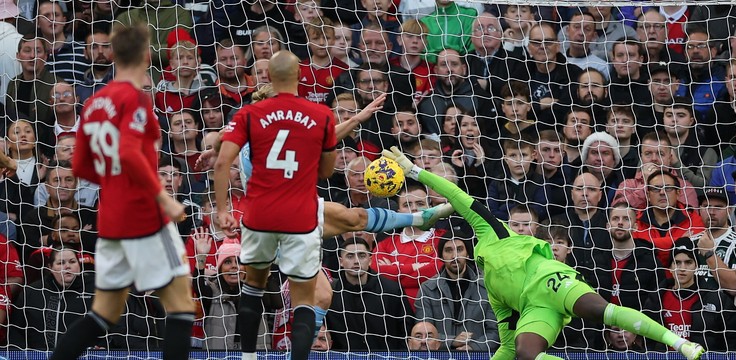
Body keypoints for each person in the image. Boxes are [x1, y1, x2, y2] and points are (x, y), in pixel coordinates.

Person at [381, 145, 705, 360]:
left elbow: (456, 193)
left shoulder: (495, 230)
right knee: (525, 353)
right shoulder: (490, 283)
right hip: (536, 307)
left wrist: (414, 171)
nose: (464, 248)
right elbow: (506, 345)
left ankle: (681, 344)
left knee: (601, 310)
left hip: (550, 279)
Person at [49, 25, 194, 360]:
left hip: (111, 221)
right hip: (146, 218)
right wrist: (164, 197)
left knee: (102, 316)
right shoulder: (136, 99)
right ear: (147, 55)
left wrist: (114, 179)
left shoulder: (96, 102)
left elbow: (81, 166)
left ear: (112, 55)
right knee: (181, 307)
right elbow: (129, 152)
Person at [213, 49, 335, 360]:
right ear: (300, 77)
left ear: (267, 77)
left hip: (260, 213)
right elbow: (327, 171)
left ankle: (249, 356)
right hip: (301, 215)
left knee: (254, 286)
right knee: (305, 298)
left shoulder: (249, 114)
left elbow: (222, 162)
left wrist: (223, 210)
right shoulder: (322, 115)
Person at [8, 245, 95, 350]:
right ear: (50, 267)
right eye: (61, 263)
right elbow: (15, 330)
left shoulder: (94, 288)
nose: (67, 266)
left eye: (72, 262)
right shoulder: (32, 292)